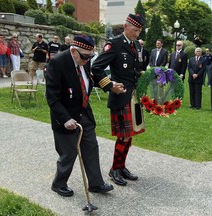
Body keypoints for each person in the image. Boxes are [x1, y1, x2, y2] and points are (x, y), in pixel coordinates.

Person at [46, 34, 114, 197]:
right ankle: (59, 183)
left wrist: (110, 85)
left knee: (91, 147)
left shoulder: (85, 58)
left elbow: (91, 79)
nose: (87, 60)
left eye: (89, 57)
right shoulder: (58, 62)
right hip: (65, 115)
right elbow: (52, 97)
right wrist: (65, 119)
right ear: (73, 51)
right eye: (84, 57)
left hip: (84, 112)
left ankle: (96, 184)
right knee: (69, 152)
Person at [92, 14, 146, 186]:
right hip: (121, 96)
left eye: (139, 31)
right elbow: (96, 68)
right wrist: (110, 85)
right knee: (123, 136)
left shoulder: (136, 45)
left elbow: (136, 70)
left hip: (134, 97)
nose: (137, 34)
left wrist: (146, 76)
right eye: (135, 30)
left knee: (129, 135)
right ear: (125, 26)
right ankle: (114, 169)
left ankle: (121, 167)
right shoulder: (114, 44)